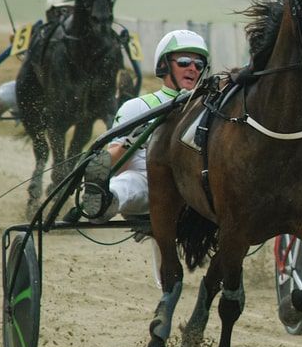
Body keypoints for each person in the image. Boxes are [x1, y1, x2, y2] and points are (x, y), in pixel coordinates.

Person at [80, 29, 209, 221]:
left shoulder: (208, 109)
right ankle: (105, 201)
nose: (193, 68)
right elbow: (114, 164)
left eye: (199, 64)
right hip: (147, 182)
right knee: (128, 182)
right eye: (184, 62)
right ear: (164, 65)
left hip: (193, 187)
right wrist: (129, 143)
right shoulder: (138, 107)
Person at [0, 0, 76, 116]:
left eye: (71, 12)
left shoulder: (81, 39)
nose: (66, 17)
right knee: (12, 91)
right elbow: (20, 48)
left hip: (66, 91)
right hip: (34, 88)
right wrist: (17, 40)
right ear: (51, 13)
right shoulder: (38, 33)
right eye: (62, 11)